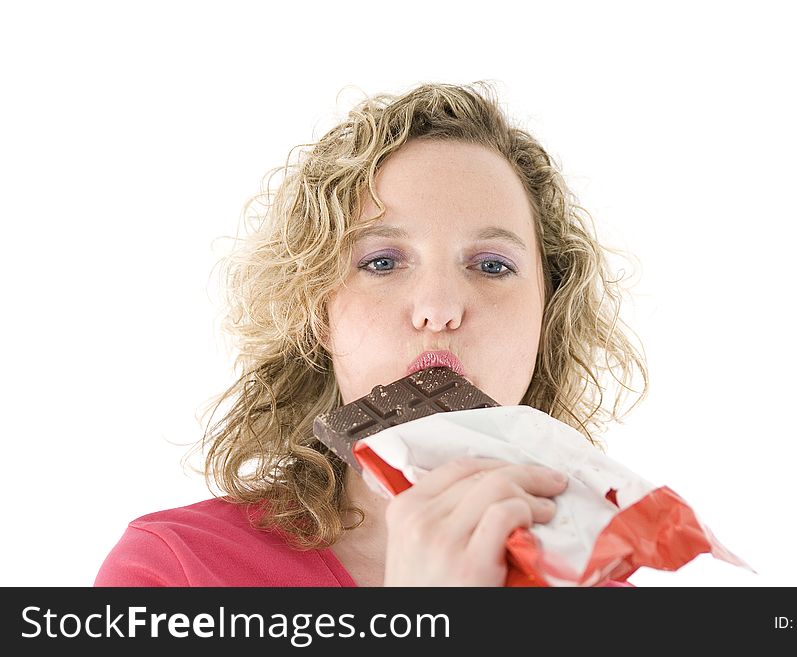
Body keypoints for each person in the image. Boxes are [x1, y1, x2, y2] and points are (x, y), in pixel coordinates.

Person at [94, 81, 648, 587]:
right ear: (318, 312)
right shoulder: (174, 569)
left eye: (492, 266)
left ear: (547, 313)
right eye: (382, 262)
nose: (439, 309)